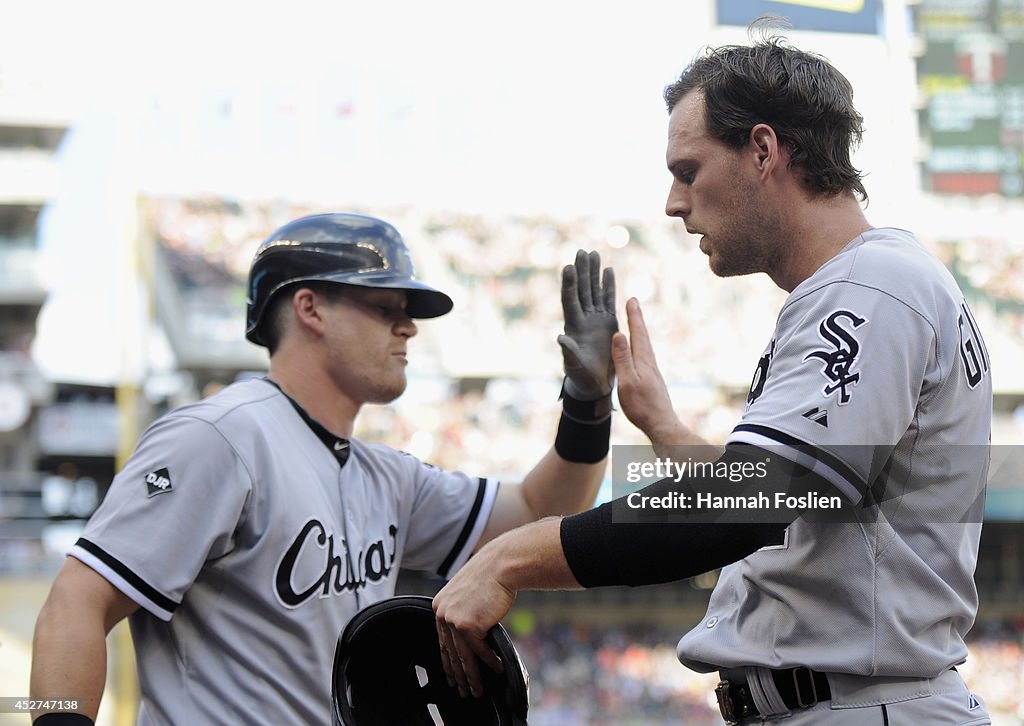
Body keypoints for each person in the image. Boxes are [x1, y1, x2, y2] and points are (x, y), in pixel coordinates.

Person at [433, 34, 994, 725]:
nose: (674, 202)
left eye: (689, 170)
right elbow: (799, 509)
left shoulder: (871, 283)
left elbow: (751, 504)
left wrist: (514, 555)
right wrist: (663, 426)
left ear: (763, 150)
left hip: (860, 706)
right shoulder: (870, 282)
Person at [29, 212, 617, 725]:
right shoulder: (220, 436)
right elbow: (78, 599)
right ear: (309, 308)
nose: (408, 326)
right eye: (385, 306)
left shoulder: (388, 477)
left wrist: (588, 403)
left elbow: (543, 514)